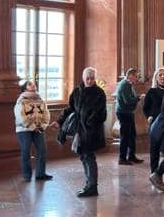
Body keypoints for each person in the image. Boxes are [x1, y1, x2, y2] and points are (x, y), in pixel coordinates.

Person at [60, 67, 107, 198]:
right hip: (80, 131)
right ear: (83, 78)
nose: (90, 81)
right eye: (88, 78)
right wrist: (59, 121)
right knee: (83, 157)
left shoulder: (99, 93)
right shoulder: (77, 91)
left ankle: (92, 186)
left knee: (89, 157)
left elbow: (101, 114)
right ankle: (89, 184)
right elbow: (70, 108)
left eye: (92, 78)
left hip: (91, 132)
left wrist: (88, 124)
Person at [13, 79, 54, 182]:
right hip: (24, 129)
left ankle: (40, 174)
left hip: (39, 128)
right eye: (30, 84)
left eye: (33, 84)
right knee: (26, 151)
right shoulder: (21, 100)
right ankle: (27, 175)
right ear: (25, 88)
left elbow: (46, 113)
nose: (33, 85)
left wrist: (43, 125)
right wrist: (31, 126)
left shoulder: (40, 99)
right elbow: (19, 115)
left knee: (42, 149)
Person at [143, 67, 164, 182]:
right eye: (160, 75)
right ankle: (154, 173)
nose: (162, 77)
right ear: (156, 78)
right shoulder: (152, 91)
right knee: (155, 149)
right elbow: (145, 107)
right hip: (156, 124)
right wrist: (149, 116)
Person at [115, 68, 143, 166]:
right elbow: (128, 101)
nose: (137, 78)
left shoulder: (128, 84)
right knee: (125, 136)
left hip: (128, 112)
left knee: (132, 135)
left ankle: (131, 156)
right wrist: (138, 98)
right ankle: (122, 158)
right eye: (136, 76)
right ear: (130, 75)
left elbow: (130, 98)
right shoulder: (124, 85)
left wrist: (136, 97)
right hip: (123, 113)